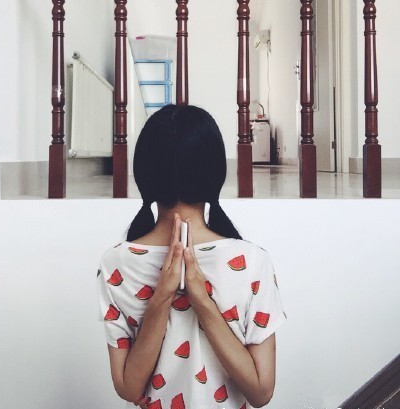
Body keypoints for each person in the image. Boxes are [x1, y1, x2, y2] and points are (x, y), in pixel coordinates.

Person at [97, 104, 286, 409]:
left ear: (143, 172)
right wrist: (162, 296)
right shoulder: (253, 261)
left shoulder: (116, 263)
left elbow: (129, 388)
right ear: (216, 173)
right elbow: (261, 393)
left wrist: (201, 301)